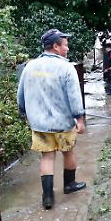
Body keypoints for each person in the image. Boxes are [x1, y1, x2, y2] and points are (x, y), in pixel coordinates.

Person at [17, 28, 87, 209]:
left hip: (39, 124)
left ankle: (47, 198)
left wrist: (24, 113)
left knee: (47, 157)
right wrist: (79, 118)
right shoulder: (66, 67)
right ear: (55, 46)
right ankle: (69, 185)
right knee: (68, 152)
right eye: (65, 45)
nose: (68, 49)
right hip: (62, 124)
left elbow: (21, 95)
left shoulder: (30, 66)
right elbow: (74, 97)